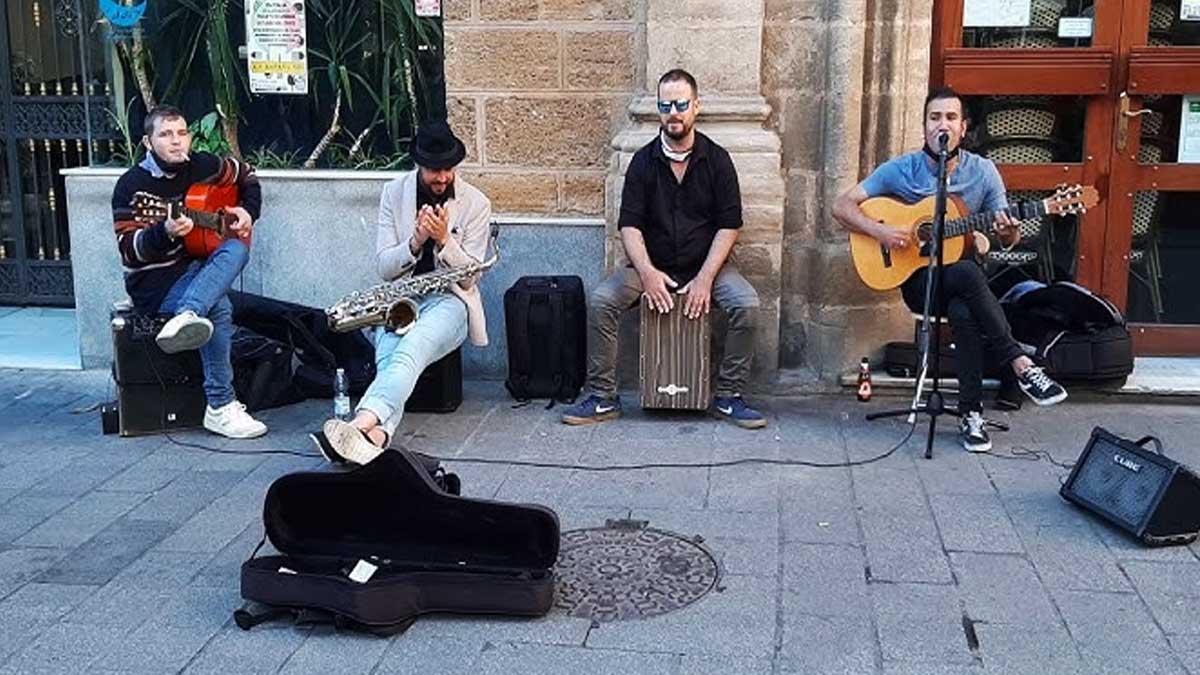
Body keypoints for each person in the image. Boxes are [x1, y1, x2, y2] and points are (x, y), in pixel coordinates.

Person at [832, 86, 1068, 453]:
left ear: (963, 127)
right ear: (925, 126)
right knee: (968, 278)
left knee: (964, 301)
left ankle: (971, 414)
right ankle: (1020, 363)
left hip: (963, 280)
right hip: (918, 281)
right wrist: (880, 230)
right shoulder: (901, 169)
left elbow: (1006, 238)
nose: (942, 124)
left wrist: (1009, 229)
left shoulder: (983, 172)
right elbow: (842, 205)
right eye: (934, 117)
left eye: (951, 117)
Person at [560, 69, 766, 430]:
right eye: (666, 104)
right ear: (658, 109)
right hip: (650, 266)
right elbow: (630, 226)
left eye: (681, 104)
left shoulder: (717, 160)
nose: (674, 112)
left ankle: (729, 397)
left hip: (708, 267)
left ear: (696, 107)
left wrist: (705, 279)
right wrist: (648, 273)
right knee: (602, 300)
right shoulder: (643, 161)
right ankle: (603, 397)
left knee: (745, 304)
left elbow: (729, 225)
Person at [318, 121, 493, 464]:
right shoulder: (393, 194)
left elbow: (470, 279)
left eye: (448, 169)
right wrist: (415, 242)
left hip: (452, 299)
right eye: (434, 170)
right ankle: (377, 437)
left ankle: (359, 422)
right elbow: (385, 268)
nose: (442, 178)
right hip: (401, 299)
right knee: (390, 360)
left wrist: (444, 240)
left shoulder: (476, 203)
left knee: (410, 348)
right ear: (419, 165)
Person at [111, 105, 267, 439]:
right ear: (148, 142)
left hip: (196, 271)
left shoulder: (205, 165)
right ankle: (221, 407)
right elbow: (129, 252)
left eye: (182, 133)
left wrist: (247, 211)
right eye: (166, 134)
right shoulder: (131, 187)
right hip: (155, 283)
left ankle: (188, 313)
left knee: (238, 246)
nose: (176, 141)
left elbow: (248, 174)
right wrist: (164, 231)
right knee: (220, 306)